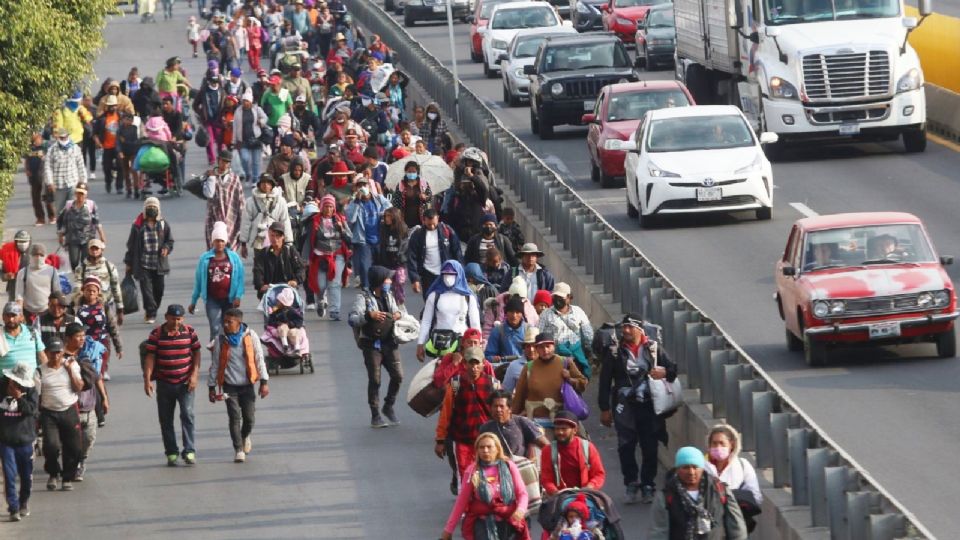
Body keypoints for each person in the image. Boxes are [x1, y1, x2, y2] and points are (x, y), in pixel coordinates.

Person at [597, 314, 678, 504]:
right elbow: (605, 381)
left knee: (650, 447)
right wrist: (604, 408)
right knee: (626, 446)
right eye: (624, 327)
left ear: (640, 330)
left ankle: (648, 484)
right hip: (624, 407)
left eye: (630, 327)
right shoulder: (615, 352)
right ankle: (631, 482)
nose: (626, 331)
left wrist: (664, 372)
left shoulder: (653, 349)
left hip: (649, 406)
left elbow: (673, 369)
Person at [440, 432, 531, 540]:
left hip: (508, 521)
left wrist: (520, 510)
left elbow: (522, 493)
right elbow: (461, 501)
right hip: (481, 524)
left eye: (489, 447)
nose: (485, 450)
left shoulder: (509, 466)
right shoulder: (473, 470)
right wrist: (448, 529)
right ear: (477, 450)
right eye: (481, 447)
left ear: (497, 448)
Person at [207, 308, 269, 463]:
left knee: (249, 419)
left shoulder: (250, 336)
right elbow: (215, 364)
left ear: (239, 322)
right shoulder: (220, 339)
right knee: (234, 417)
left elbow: (259, 358)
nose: (226, 325)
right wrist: (211, 387)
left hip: (247, 385)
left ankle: (245, 436)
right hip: (230, 386)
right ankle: (238, 449)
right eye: (225, 321)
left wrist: (264, 382)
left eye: (230, 322)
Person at [144, 304, 202, 466]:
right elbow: (150, 357)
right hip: (164, 383)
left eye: (179, 319)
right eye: (173, 318)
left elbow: (197, 353)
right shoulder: (156, 334)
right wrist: (147, 380)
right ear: (166, 317)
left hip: (185, 383)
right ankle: (171, 452)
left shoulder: (190, 332)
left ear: (182, 319)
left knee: (188, 415)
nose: (176, 322)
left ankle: (189, 450)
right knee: (166, 419)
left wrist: (194, 375)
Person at [648, 447, 749, 540]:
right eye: (685, 467)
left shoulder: (720, 490)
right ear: (678, 469)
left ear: (702, 468)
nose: (691, 472)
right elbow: (659, 532)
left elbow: (736, 527)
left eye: (695, 467)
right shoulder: (665, 497)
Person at [348, 266, 404, 428]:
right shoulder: (363, 298)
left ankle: (388, 406)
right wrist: (369, 315)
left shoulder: (389, 296)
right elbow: (352, 319)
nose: (389, 282)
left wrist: (398, 314)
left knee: (398, 376)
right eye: (387, 279)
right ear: (379, 281)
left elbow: (400, 311)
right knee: (375, 379)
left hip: (390, 342)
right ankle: (375, 415)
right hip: (372, 345)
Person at [435, 347, 498, 481]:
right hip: (462, 441)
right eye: (471, 363)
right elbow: (445, 413)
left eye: (477, 363)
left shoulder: (493, 384)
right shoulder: (455, 384)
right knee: (466, 478)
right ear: (465, 364)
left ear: (483, 364)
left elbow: (501, 413)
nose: (474, 367)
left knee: (489, 477)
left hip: (487, 441)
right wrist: (440, 440)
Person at [511, 332, 587, 431]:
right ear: (537, 349)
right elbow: (519, 396)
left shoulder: (565, 362)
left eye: (548, 346)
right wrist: (512, 419)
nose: (545, 350)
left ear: (554, 346)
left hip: (562, 421)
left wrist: (570, 379)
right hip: (535, 422)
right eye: (541, 347)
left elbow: (583, 384)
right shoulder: (529, 367)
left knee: (580, 443)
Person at [38, 336, 83, 492]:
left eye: (58, 352)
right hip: (49, 413)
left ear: (63, 352)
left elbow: (79, 387)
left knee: (75, 448)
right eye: (52, 352)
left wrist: (70, 370)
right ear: (47, 352)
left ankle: (67, 477)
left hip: (69, 410)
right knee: (51, 446)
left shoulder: (72, 365)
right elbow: (37, 394)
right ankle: (53, 473)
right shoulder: (40, 370)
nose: (55, 356)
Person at [190, 222, 245, 342]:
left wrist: (238, 296)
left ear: (225, 242)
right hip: (212, 299)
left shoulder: (234, 258)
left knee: (229, 328)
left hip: (229, 300)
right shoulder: (205, 258)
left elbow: (240, 278)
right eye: (217, 241)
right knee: (215, 328)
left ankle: (228, 356)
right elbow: (199, 280)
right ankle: (215, 357)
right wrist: (193, 301)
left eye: (222, 241)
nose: (219, 243)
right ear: (212, 242)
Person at [417, 261, 481, 362]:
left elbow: (475, 323)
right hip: (440, 345)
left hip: (462, 344)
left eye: (451, 274)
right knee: (440, 375)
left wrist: (478, 345)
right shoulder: (434, 296)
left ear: (459, 274)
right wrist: (420, 344)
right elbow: (426, 321)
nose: (448, 277)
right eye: (445, 274)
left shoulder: (468, 297)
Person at [68, 323, 108, 480]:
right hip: (70, 408)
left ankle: (81, 459)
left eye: (83, 336)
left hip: (89, 406)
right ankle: (73, 465)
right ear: (69, 338)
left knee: (89, 438)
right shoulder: (60, 356)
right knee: (71, 440)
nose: (82, 339)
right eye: (78, 337)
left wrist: (104, 398)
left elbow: (96, 377)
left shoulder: (88, 355)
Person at [124, 197, 173, 324]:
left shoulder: (163, 224)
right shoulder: (137, 225)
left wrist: (166, 248)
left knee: (159, 290)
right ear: (145, 209)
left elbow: (170, 241)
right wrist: (128, 263)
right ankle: (150, 313)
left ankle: (153, 308)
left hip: (159, 264)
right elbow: (131, 245)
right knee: (147, 291)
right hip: (143, 264)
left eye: (154, 207)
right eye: (149, 207)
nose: (151, 209)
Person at [0, 361, 39, 521]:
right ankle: (13, 508)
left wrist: (19, 398)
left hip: (26, 440)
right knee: (9, 476)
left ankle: (23, 502)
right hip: (6, 441)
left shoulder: (31, 391)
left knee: (26, 476)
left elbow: (32, 411)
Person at [704, 425, 762, 532]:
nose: (718, 447)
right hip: (709, 526)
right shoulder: (702, 466)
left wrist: (733, 500)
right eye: (714, 443)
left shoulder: (742, 465)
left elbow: (756, 496)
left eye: (722, 443)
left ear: (731, 444)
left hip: (736, 524)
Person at [304, 194, 352, 320]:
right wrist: (306, 259)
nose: (329, 209)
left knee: (335, 283)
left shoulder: (340, 219)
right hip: (319, 256)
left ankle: (334, 311)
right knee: (320, 285)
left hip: (337, 255)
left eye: (331, 206)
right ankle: (321, 300)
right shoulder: (315, 221)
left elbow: (349, 237)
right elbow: (309, 240)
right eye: (326, 206)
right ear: (321, 207)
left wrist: (342, 229)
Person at [540, 411, 605, 496]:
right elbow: (546, 479)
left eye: (564, 429)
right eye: (557, 429)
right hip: (559, 497)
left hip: (586, 495)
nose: (560, 432)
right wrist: (556, 493)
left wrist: (589, 487)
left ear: (575, 430)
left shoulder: (588, 447)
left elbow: (598, 474)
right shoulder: (548, 450)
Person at [344, 176, 391, 290]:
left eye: (365, 185)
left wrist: (383, 215)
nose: (362, 187)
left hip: (379, 238)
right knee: (365, 266)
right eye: (360, 186)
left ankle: (382, 288)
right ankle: (366, 288)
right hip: (363, 240)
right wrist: (356, 201)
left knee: (380, 266)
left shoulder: (379, 199)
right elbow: (351, 219)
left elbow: (390, 209)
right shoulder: (354, 202)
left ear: (369, 187)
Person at [538, 282, 594, 379]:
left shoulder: (578, 312)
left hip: (576, 357)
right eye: (555, 297)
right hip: (555, 358)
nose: (557, 300)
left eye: (561, 297)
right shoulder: (545, 314)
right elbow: (539, 334)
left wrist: (586, 351)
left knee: (576, 385)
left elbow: (588, 334)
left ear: (568, 298)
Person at [407, 209, 462, 300]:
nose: (432, 227)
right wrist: (415, 279)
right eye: (429, 224)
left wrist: (460, 272)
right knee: (430, 301)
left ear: (438, 219)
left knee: (446, 301)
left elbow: (457, 251)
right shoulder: (417, 235)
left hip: (446, 273)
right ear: (423, 220)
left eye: (434, 224)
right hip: (427, 275)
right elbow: (412, 257)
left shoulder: (447, 231)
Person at [74, 276, 122, 379]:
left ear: (98, 292)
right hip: (83, 343)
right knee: (86, 371)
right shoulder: (76, 307)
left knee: (99, 372)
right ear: (83, 291)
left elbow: (112, 326)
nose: (91, 293)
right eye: (88, 290)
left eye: (94, 291)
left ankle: (100, 385)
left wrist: (119, 347)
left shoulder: (104, 307)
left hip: (102, 342)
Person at [479, 389, 548, 460]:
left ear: (510, 409)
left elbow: (546, 446)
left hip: (520, 468)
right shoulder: (486, 428)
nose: (498, 410)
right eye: (495, 406)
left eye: (501, 406)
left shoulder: (521, 422)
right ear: (490, 408)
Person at [240, 174, 293, 259]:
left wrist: (288, 241)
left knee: (275, 267)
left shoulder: (280, 201)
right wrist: (243, 243)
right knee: (259, 267)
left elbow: (285, 221)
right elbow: (246, 222)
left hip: (276, 240)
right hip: (258, 240)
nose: (265, 185)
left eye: (268, 183)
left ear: (272, 185)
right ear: (259, 185)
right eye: (263, 183)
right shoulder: (251, 201)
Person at [74, 239, 124, 325]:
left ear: (101, 250)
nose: (94, 251)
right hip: (88, 305)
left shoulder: (109, 266)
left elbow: (116, 287)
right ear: (88, 250)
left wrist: (120, 309)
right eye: (92, 249)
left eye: (96, 249)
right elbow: (77, 288)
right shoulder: (81, 268)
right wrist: (76, 305)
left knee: (109, 330)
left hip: (108, 304)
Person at [203, 150, 246, 250]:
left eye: (227, 162)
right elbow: (208, 194)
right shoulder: (210, 175)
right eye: (223, 161)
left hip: (231, 219)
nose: (225, 164)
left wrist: (242, 220)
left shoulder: (234, 179)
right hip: (213, 218)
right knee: (214, 249)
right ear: (218, 161)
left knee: (230, 251)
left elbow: (240, 200)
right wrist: (211, 178)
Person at [56, 182, 104, 271]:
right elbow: (62, 220)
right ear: (75, 193)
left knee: (85, 262)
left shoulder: (91, 205)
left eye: (82, 193)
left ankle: (83, 280)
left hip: (87, 238)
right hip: (72, 238)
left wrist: (101, 235)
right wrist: (60, 234)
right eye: (78, 193)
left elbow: (96, 221)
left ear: (86, 194)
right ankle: (77, 277)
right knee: (74, 262)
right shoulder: (69, 205)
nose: (80, 196)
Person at [254, 222, 304, 299]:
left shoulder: (290, 251)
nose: (275, 239)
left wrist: (296, 281)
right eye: (272, 236)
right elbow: (258, 271)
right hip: (269, 292)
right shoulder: (263, 253)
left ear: (283, 236)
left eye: (277, 236)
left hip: (288, 291)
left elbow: (300, 269)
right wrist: (261, 285)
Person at [44, 128, 87, 215]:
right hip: (58, 185)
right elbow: (47, 167)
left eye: (65, 137)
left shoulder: (75, 148)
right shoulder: (52, 150)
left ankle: (72, 227)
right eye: (61, 138)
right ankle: (61, 228)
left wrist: (83, 181)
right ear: (58, 138)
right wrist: (50, 182)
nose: (63, 140)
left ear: (68, 136)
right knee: (60, 211)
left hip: (73, 183)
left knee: (73, 209)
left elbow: (81, 165)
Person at [14, 245, 61, 323]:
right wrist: (20, 314)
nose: (38, 257)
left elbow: (57, 293)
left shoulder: (52, 271)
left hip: (47, 312)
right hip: (28, 313)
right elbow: (19, 296)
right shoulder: (23, 272)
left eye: (41, 255)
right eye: (35, 254)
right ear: (30, 256)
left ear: (45, 256)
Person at [234, 89, 269, 184]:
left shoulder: (257, 109)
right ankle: (247, 173)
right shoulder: (238, 111)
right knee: (244, 159)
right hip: (243, 139)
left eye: (247, 101)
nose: (245, 103)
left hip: (256, 138)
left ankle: (256, 178)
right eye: (244, 101)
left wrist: (261, 122)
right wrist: (234, 141)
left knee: (256, 161)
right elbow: (235, 126)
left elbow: (265, 117)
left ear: (251, 101)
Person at [0, 303, 46, 373]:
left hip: (30, 380)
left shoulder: (32, 332)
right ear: (3, 317)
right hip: (6, 382)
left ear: (21, 317)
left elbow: (42, 356)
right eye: (7, 316)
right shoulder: (1, 334)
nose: (11, 319)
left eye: (14, 315)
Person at [377, 207, 409, 308]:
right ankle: (388, 306)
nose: (386, 218)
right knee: (386, 286)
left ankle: (399, 304)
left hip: (399, 263)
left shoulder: (402, 228)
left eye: (389, 216)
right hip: (386, 263)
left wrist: (401, 258)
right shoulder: (383, 228)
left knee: (399, 282)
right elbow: (381, 245)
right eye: (385, 216)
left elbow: (405, 245)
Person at [485, 295, 528, 367]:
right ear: (506, 313)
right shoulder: (497, 331)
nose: (514, 315)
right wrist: (493, 358)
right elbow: (488, 355)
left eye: (517, 312)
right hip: (504, 368)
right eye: (511, 312)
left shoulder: (529, 330)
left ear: (522, 314)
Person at [91, 95, 122, 194]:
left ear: (117, 106)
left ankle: (119, 186)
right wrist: (98, 142)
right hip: (106, 146)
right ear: (107, 107)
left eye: (114, 105)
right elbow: (94, 133)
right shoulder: (102, 119)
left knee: (120, 166)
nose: (112, 107)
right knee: (107, 167)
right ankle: (108, 182)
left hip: (119, 147)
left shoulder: (121, 117)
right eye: (110, 106)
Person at [24, 132, 55, 227]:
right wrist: (27, 170)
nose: (36, 142)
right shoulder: (30, 148)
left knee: (47, 197)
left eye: (37, 139)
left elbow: (51, 159)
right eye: (34, 140)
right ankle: (40, 218)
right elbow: (26, 160)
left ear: (40, 139)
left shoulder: (46, 146)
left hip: (44, 175)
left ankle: (52, 216)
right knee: (35, 198)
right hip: (33, 176)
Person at [1, 231, 33, 301]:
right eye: (20, 242)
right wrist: (6, 276)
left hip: (31, 289)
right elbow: (2, 272)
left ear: (29, 241)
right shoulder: (8, 254)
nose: (23, 244)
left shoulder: (34, 254)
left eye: (25, 241)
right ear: (16, 242)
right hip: (14, 289)